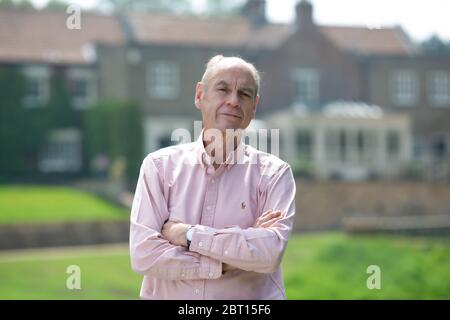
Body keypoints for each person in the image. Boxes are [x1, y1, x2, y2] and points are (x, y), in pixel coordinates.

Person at [129, 55, 296, 300]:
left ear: (254, 105)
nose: (234, 101)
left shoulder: (275, 175)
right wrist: (229, 261)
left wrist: (186, 235)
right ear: (200, 96)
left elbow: (269, 254)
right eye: (223, 89)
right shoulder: (158, 168)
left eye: (244, 94)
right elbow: (144, 255)